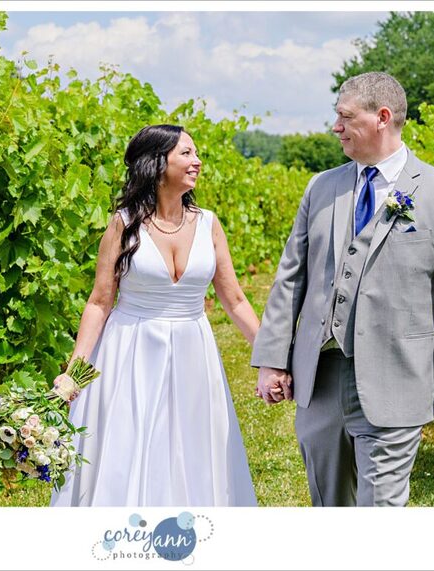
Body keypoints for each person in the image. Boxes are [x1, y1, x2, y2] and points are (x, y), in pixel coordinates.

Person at [251, 72, 434, 507]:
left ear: (381, 117)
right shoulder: (321, 187)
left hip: (397, 377)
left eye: (344, 117)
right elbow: (290, 278)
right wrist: (271, 361)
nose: (335, 127)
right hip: (319, 380)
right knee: (330, 505)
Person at [50, 124, 259, 506]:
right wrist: (73, 373)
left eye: (196, 153)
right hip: (131, 352)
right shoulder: (123, 223)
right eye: (186, 153)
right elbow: (100, 301)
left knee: (192, 447)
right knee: (128, 447)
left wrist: (270, 355)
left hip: (194, 353)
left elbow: (235, 301)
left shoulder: (209, 224)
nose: (197, 161)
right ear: (157, 163)